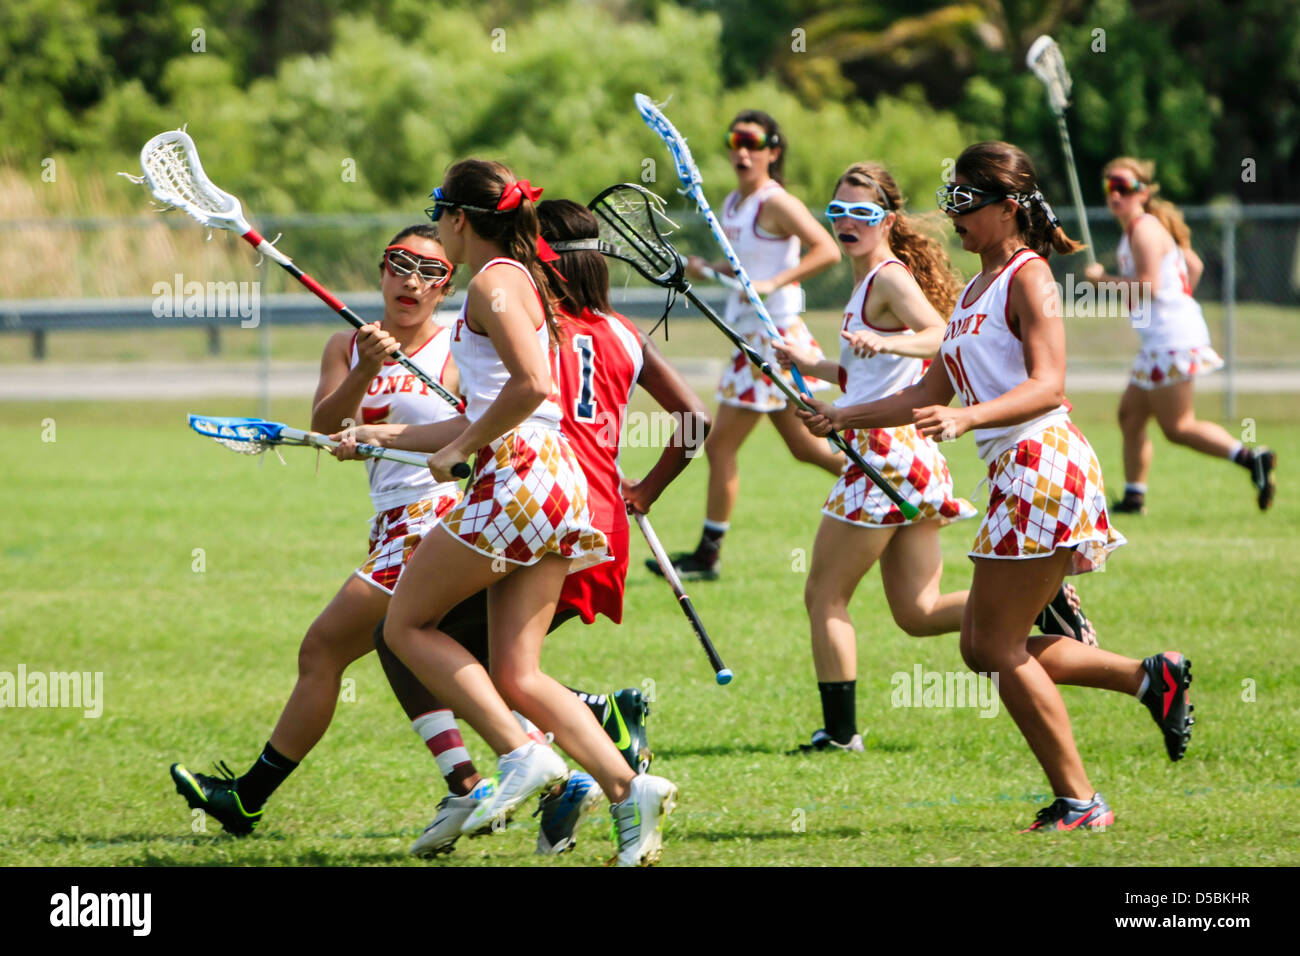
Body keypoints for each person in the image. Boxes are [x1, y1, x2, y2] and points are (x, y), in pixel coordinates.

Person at [799, 142, 1194, 831]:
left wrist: (969, 414)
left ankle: (1082, 800)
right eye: (950, 200)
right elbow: (927, 389)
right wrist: (844, 414)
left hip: (1045, 461)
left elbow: (1049, 384)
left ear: (1008, 207)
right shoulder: (976, 290)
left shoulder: (1029, 275)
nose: (954, 214)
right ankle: (1146, 679)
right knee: (987, 640)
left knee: (987, 646)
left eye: (966, 202)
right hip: (1016, 470)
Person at [347, 198, 709, 858]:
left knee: (402, 629)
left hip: (518, 483)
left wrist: (458, 451)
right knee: (518, 674)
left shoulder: (496, 282)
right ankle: (629, 789)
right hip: (577, 504)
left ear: (459, 217)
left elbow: (530, 391)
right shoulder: (585, 316)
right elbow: (689, 419)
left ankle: (519, 756)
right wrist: (382, 435)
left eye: (439, 214)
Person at [777, 162, 1098, 755]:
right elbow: (881, 377)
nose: (847, 223)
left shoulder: (890, 278)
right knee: (919, 612)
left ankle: (840, 734)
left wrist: (896, 347)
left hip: (895, 454)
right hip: (911, 447)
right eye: (838, 213)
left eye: (862, 214)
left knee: (824, 593)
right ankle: (1038, 597)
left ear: (887, 221)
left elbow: (935, 336)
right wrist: (815, 370)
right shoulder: (874, 283)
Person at [169, 225, 466, 834]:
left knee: (323, 647)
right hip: (387, 522)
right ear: (382, 270)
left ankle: (248, 797)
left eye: (430, 272)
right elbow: (328, 425)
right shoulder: (346, 343)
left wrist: (393, 436)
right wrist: (365, 368)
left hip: (432, 517)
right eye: (400, 264)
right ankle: (486, 775)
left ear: (446, 286)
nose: (412, 281)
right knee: (417, 653)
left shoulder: (457, 347)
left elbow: (469, 435)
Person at [648, 109, 842, 581]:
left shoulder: (776, 202)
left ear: (772, 152)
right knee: (803, 447)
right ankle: (884, 482)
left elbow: (827, 249)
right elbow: (743, 263)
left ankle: (708, 555)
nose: (741, 151)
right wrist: (709, 267)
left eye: (752, 143)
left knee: (726, 445)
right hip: (751, 341)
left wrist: (776, 280)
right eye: (735, 141)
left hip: (775, 340)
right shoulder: (735, 202)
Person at [1085, 157, 1275, 513]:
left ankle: (1252, 458)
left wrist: (1101, 282)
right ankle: (1133, 497)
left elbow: (1150, 287)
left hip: (1170, 340)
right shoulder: (1142, 229)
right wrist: (1181, 296)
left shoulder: (1143, 229)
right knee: (1130, 415)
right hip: (1161, 340)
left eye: (1123, 187)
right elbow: (1193, 264)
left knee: (1178, 427)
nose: (1115, 194)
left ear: (1142, 192)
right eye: (1109, 187)